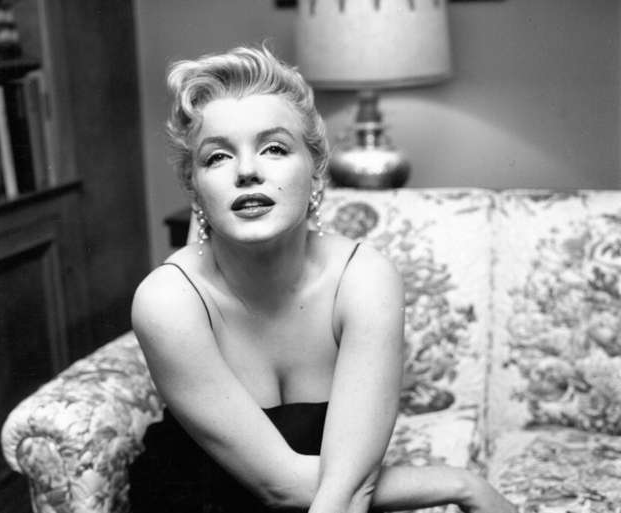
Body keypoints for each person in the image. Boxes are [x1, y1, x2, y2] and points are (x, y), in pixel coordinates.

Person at [128, 45, 516, 513]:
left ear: (316, 176)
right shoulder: (168, 300)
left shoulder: (364, 279)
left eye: (274, 148)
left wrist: (360, 489)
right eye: (217, 157)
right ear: (195, 188)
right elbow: (282, 486)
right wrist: (457, 484)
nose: (247, 171)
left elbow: (350, 487)